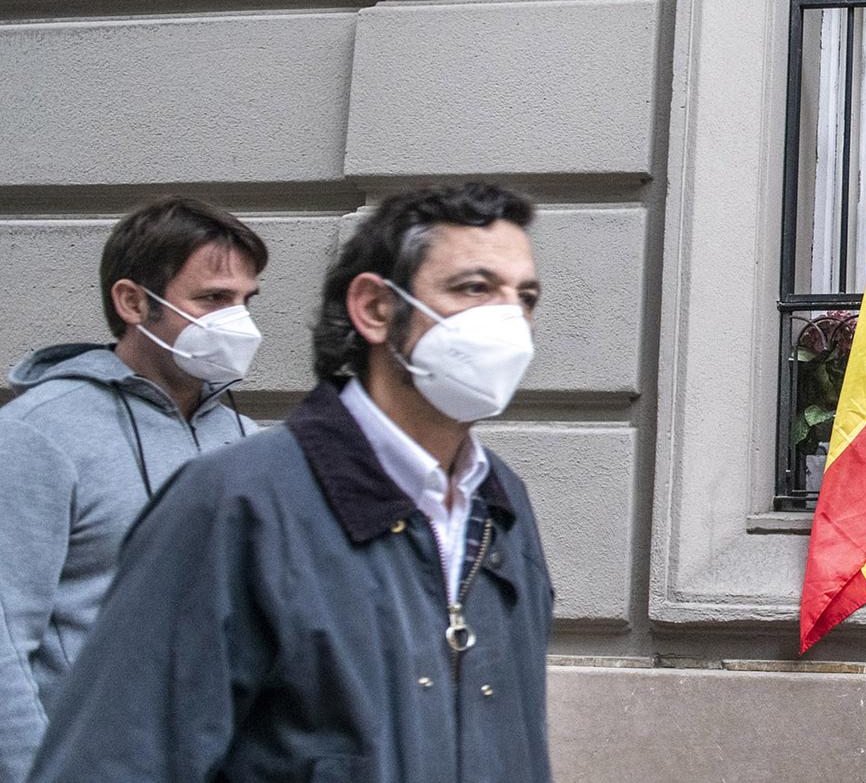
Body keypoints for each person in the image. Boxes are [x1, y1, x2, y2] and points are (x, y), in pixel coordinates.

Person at [27, 183, 557, 783]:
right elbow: (117, 756)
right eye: (474, 288)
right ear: (376, 309)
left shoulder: (500, 504)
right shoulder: (238, 500)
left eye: (526, 297)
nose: (508, 320)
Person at [0, 196, 267, 783]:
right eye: (213, 299)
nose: (237, 321)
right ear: (133, 301)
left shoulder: (249, 442)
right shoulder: (38, 433)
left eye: (246, 300)